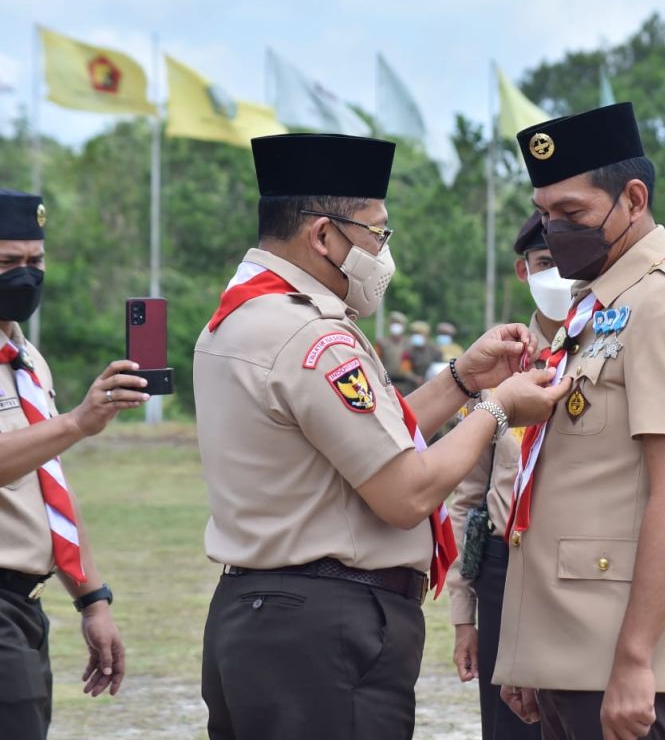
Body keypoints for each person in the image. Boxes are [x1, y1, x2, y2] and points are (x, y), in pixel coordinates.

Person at [193, 133, 571, 740]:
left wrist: (460, 381)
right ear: (323, 236)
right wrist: (498, 408)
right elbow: (404, 491)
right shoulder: (312, 338)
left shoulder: (247, 317)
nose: (382, 252)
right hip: (323, 633)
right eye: (376, 233)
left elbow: (366, 443)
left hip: (266, 619)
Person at [496, 103, 665, 740]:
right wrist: (530, 650)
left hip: (630, 662)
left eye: (571, 213)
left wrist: (634, 661)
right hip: (573, 650)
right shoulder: (599, 304)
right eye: (545, 214)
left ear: (633, 198)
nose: (553, 229)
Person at [0, 188, 146, 739]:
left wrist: (92, 599)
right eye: (8, 263)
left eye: (35, 262)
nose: (25, 276)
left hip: (23, 607)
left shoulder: (25, 358)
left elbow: (49, 482)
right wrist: (77, 422)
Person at [447, 211, 568, 740]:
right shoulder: (498, 358)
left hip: (573, 571)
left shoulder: (609, 348)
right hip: (501, 570)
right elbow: (466, 495)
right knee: (508, 729)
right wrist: (463, 614)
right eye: (544, 263)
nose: (557, 275)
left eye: (566, 261)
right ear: (525, 272)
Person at [405, 319, 441, 387]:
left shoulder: (435, 350)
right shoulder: (408, 351)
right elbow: (405, 369)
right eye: (414, 333)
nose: (416, 336)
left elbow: (439, 367)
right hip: (412, 387)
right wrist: (415, 378)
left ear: (426, 335)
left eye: (419, 333)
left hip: (432, 385)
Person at [379, 310, 408, 379]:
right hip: (387, 381)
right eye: (393, 323)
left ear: (403, 326)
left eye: (398, 323)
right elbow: (377, 361)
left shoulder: (408, 343)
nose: (395, 326)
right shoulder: (382, 343)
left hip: (406, 383)